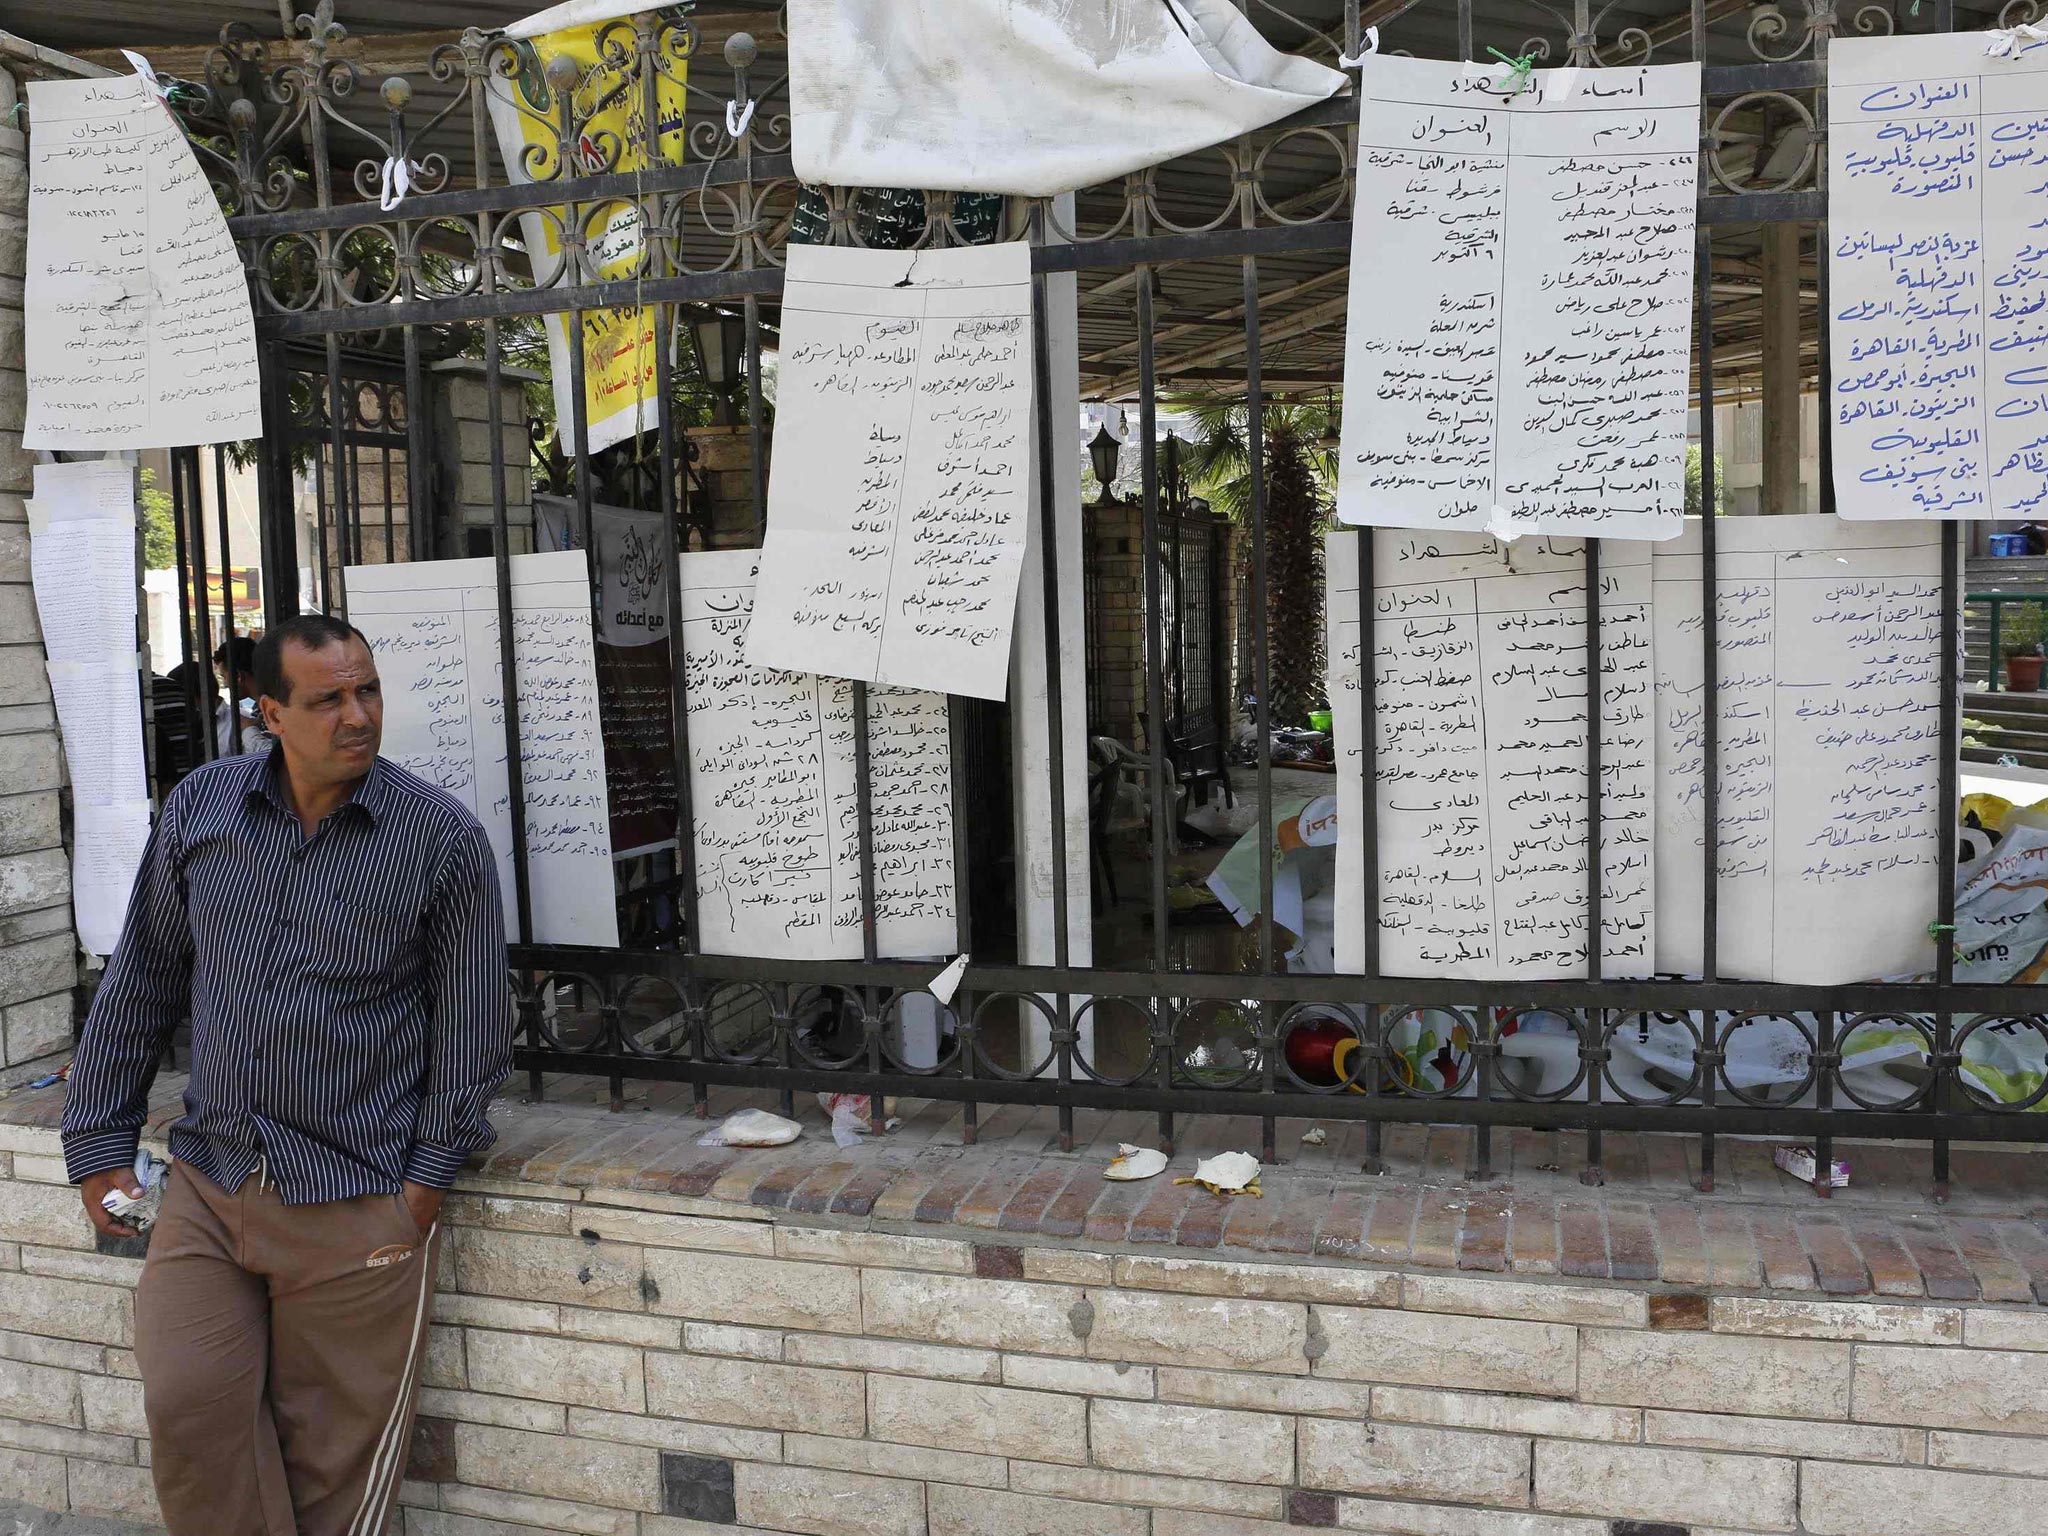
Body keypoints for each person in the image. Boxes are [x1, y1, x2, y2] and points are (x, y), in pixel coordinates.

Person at [62, 613, 512, 1536]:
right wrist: (97, 1141)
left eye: (368, 690)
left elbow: (473, 1033)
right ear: (269, 712)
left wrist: (419, 1193)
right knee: (190, 1412)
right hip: (209, 1180)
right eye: (328, 699)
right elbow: (144, 972)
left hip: (354, 1197)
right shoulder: (203, 809)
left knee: (334, 1467)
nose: (358, 715)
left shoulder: (440, 840)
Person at [212, 633, 274, 757]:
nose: (225, 684)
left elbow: (275, 758)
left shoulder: (276, 704)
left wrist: (248, 730)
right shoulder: (260, 708)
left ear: (237, 675)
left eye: (224, 676)